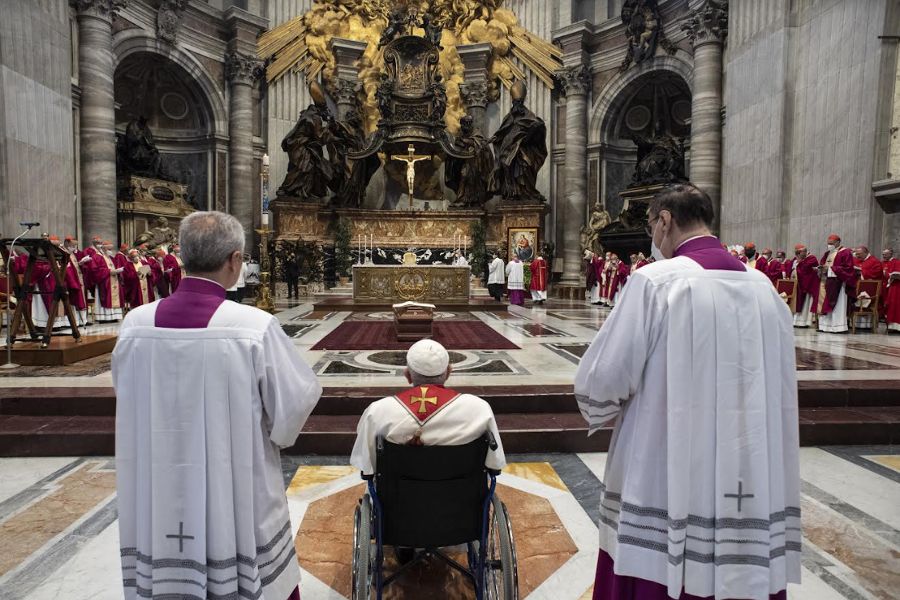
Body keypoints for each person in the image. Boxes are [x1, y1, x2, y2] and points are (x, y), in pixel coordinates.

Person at [575, 184, 800, 600]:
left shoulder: (656, 282)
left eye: (650, 225)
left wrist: (599, 405)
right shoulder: (763, 286)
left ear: (664, 220)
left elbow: (605, 377)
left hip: (665, 460)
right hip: (749, 462)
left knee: (660, 556)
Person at [113, 211, 322, 600]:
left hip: (157, 479)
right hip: (237, 478)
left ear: (183, 255)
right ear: (234, 260)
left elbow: (128, 396)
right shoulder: (253, 327)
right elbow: (294, 403)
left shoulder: (135, 326)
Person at [350, 339, 506, 474]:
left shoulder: (377, 412)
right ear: (448, 372)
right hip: (464, 500)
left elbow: (366, 463)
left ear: (407, 375)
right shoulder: (479, 410)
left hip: (396, 499)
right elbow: (494, 462)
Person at [816, 234, 856, 333]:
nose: (829, 245)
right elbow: (822, 263)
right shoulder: (828, 253)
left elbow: (848, 269)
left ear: (838, 242)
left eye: (831, 243)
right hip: (826, 281)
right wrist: (820, 268)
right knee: (824, 303)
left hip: (838, 283)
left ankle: (838, 327)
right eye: (828, 243)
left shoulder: (845, 252)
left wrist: (830, 268)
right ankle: (825, 326)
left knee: (838, 305)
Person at [88, 240, 124, 323]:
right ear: (103, 248)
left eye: (111, 249)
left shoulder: (110, 258)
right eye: (109, 249)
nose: (110, 251)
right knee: (105, 298)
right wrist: (109, 271)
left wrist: (117, 271)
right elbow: (94, 271)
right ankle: (104, 317)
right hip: (103, 283)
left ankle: (114, 316)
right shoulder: (97, 257)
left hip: (113, 281)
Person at [791, 244, 819, 328]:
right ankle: (796, 321)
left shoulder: (811, 258)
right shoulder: (796, 259)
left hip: (807, 285)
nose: (798, 255)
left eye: (800, 253)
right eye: (797, 254)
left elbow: (804, 269)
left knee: (805, 304)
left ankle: (804, 322)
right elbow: (791, 268)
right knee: (797, 303)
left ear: (805, 252)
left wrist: (799, 263)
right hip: (798, 284)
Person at [883, 248, 900, 333]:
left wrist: (889, 275)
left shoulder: (896, 262)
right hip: (888, 288)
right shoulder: (884, 263)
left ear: (891, 254)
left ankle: (897, 327)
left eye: (886, 254)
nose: (884, 256)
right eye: (883, 254)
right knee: (889, 306)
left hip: (895, 287)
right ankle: (891, 326)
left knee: (895, 306)